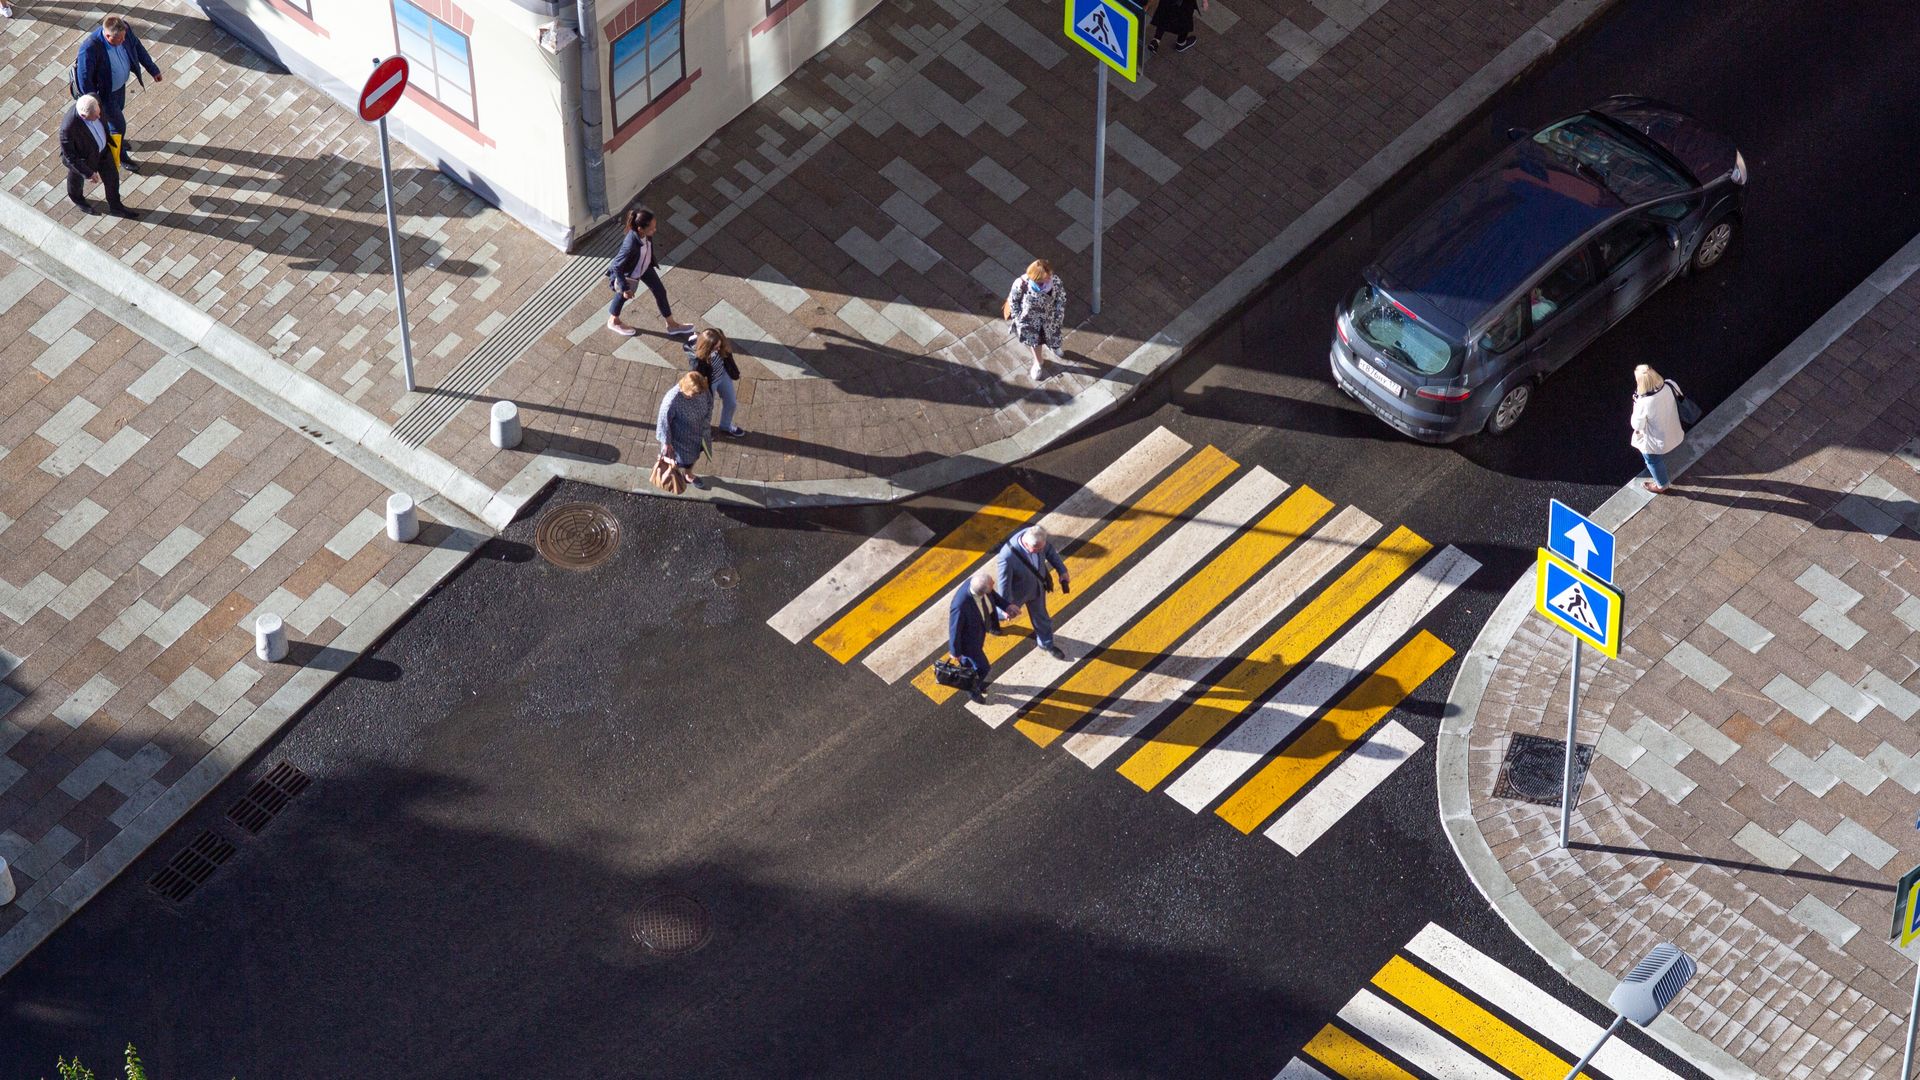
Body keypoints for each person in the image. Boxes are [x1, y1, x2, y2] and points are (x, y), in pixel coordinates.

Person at [75, 15, 163, 175]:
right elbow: (84, 81)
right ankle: (120, 156)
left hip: (119, 88)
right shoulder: (89, 48)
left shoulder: (125, 29)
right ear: (107, 36)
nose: (123, 41)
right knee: (119, 126)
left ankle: (117, 140)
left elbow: (137, 47)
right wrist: (96, 107)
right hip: (104, 96)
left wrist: (152, 69)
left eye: (124, 37)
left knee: (117, 117)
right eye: (119, 39)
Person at [606, 207, 694, 339]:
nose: (655, 230)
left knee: (660, 291)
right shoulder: (630, 244)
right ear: (640, 229)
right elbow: (617, 266)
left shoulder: (644, 234)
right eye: (652, 228)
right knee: (622, 295)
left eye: (654, 226)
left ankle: (671, 325)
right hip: (632, 271)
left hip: (645, 267)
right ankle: (613, 321)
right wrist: (624, 287)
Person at [994, 524, 1071, 661]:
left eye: (1042, 547)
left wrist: (1062, 571)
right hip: (1017, 594)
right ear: (1028, 545)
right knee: (1001, 614)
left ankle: (1046, 644)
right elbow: (1003, 583)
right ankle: (990, 620)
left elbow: (1050, 552)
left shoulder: (1037, 536)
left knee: (1041, 617)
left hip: (1037, 589)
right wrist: (1006, 606)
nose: (1042, 550)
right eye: (1038, 549)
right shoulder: (1006, 557)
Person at [60, 95, 137, 218]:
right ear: (84, 116)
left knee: (112, 179)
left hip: (104, 151)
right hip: (83, 158)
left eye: (99, 112)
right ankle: (77, 199)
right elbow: (70, 157)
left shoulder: (93, 100)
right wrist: (88, 173)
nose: (99, 117)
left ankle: (116, 207)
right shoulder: (68, 129)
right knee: (76, 180)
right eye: (95, 117)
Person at [947, 570, 1011, 703]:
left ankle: (970, 678)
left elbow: (994, 596)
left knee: (968, 665)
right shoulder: (960, 606)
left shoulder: (977, 583)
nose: (994, 583)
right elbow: (954, 630)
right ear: (983, 591)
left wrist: (1007, 606)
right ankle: (972, 689)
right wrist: (955, 651)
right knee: (984, 667)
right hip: (968, 643)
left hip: (978, 633)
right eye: (991, 585)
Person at [1005, 259, 1067, 382]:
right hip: (1031, 323)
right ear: (1036, 277)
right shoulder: (1021, 284)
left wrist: (1059, 314)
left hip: (1050, 320)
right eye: (1046, 277)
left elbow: (1061, 297)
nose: (1049, 279)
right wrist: (1019, 320)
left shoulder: (1054, 281)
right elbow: (1013, 302)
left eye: (1050, 275)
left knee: (1054, 335)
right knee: (1035, 343)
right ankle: (1038, 363)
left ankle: (1054, 347)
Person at [1629, 364, 1684, 494]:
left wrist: (1635, 403)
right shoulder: (1670, 384)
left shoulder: (1643, 402)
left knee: (1652, 459)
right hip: (1673, 428)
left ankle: (1662, 485)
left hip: (1655, 439)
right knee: (1655, 457)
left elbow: (1637, 425)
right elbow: (1680, 397)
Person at [655, 370, 713, 490]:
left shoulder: (702, 389)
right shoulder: (671, 401)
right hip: (681, 441)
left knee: (695, 456)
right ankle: (679, 476)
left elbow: (709, 403)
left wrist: (706, 422)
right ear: (686, 388)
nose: (698, 395)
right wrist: (667, 443)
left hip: (700, 434)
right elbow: (663, 423)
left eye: (699, 393)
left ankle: (688, 474)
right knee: (684, 460)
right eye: (695, 394)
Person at [684, 328, 746, 438]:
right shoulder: (698, 361)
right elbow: (696, 378)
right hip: (709, 383)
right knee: (707, 409)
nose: (718, 349)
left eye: (719, 345)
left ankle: (725, 426)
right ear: (707, 347)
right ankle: (704, 431)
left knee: (731, 402)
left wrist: (734, 372)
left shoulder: (720, 345)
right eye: (715, 347)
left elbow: (728, 357)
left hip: (723, 375)